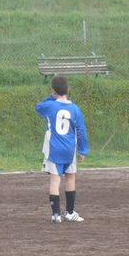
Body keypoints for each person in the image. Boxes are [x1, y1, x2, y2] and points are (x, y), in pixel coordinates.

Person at [36, 76, 88, 223]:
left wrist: (51, 97)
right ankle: (70, 213)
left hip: (54, 149)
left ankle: (56, 215)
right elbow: (81, 131)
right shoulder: (75, 109)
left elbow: (38, 107)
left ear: (53, 90)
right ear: (67, 90)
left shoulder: (50, 106)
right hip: (70, 150)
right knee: (70, 177)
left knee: (55, 180)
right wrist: (82, 150)